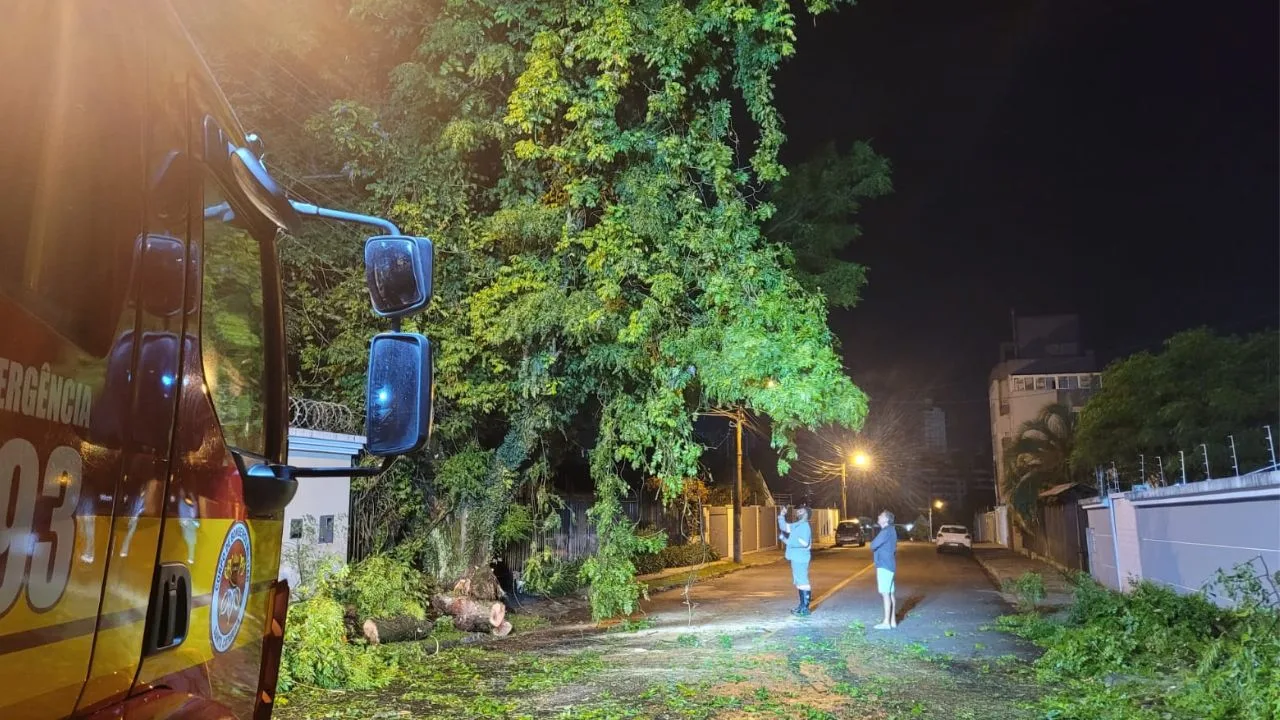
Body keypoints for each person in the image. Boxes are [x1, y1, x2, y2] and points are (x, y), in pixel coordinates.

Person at [779, 505, 813, 616]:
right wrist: (782, 515)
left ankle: (805, 608)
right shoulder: (797, 525)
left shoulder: (805, 527)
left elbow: (803, 543)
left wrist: (786, 540)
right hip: (796, 557)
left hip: (801, 557)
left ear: (806, 514)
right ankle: (802, 606)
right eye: (798, 510)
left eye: (801, 511)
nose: (798, 512)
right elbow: (784, 527)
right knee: (799, 582)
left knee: (803, 581)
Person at [870, 510, 898, 629]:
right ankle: (893, 620)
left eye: (881, 515)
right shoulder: (892, 530)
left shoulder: (885, 531)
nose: (878, 516)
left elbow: (873, 545)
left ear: (886, 519)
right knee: (890, 593)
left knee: (885, 593)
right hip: (890, 564)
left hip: (884, 565)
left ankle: (886, 622)